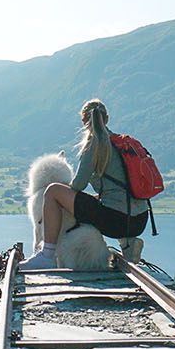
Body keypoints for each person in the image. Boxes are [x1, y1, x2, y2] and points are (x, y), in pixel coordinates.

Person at [23, 99, 150, 270]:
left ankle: (47, 255)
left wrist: (68, 196)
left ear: (84, 122)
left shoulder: (93, 145)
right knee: (106, 204)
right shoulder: (122, 143)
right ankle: (128, 245)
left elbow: (78, 186)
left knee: (53, 191)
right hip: (140, 221)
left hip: (116, 221)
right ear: (107, 119)